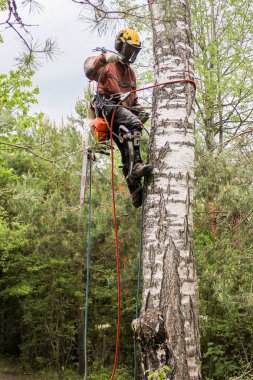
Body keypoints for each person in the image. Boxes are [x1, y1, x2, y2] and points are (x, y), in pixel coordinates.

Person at [83, 27, 153, 208]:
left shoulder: (130, 73)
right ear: (120, 46)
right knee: (133, 123)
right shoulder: (107, 64)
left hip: (123, 111)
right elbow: (88, 70)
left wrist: (140, 109)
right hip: (107, 107)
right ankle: (136, 168)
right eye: (128, 50)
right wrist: (104, 58)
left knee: (125, 146)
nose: (130, 55)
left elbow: (133, 98)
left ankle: (135, 191)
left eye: (133, 52)